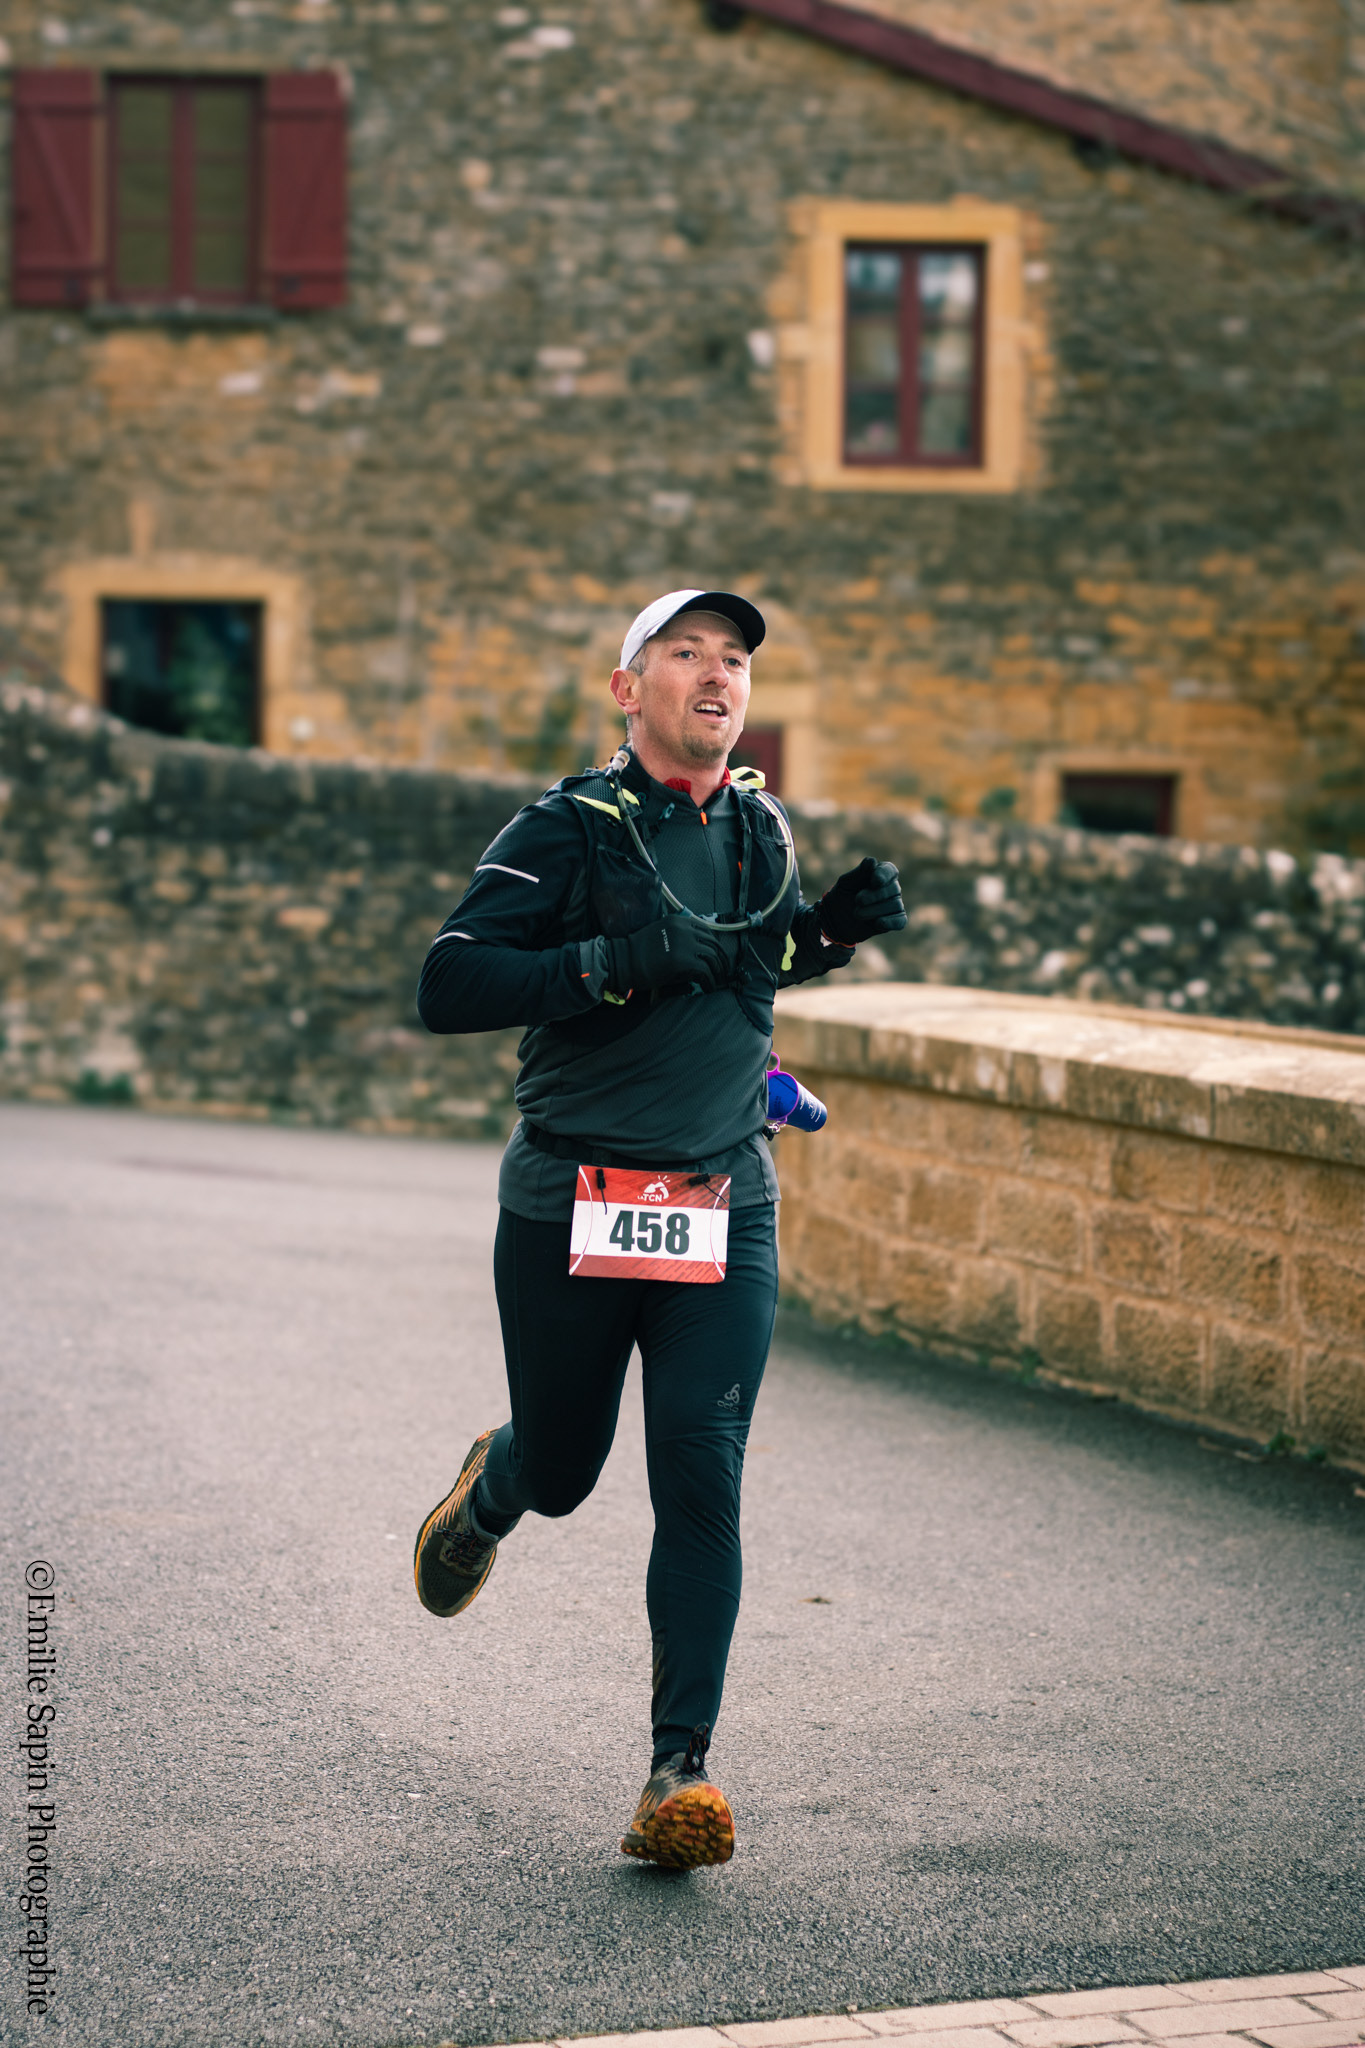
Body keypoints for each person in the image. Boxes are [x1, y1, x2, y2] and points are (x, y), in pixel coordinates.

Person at [412, 588, 906, 1868]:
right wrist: (603, 966)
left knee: (701, 1468)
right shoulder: (567, 826)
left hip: (720, 1204)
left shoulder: (761, 827)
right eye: (686, 651)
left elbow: (741, 967)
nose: (717, 672)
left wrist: (825, 932)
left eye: (734, 657)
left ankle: (678, 1772)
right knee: (567, 1468)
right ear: (629, 689)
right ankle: (494, 1485)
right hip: (573, 1200)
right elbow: (448, 982)